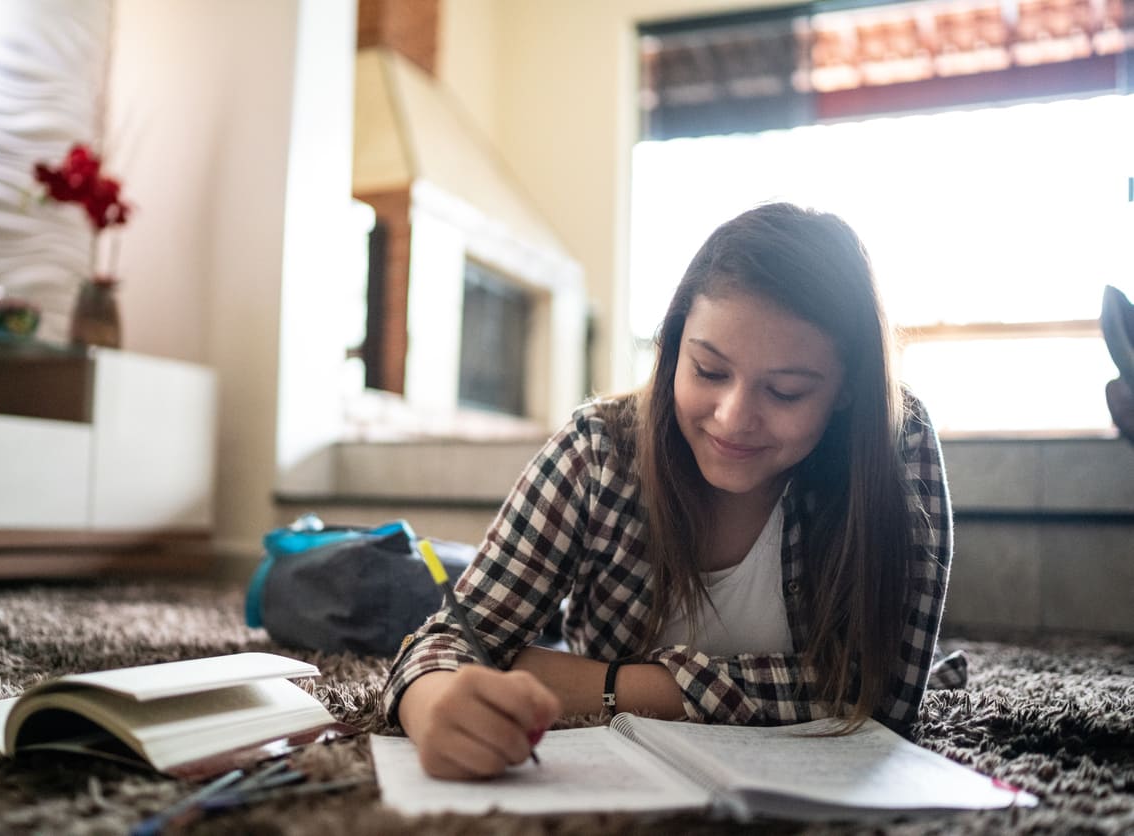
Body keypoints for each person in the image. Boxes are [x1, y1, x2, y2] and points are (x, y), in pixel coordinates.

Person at [383, 202, 955, 780]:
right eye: (708, 371)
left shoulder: (895, 444)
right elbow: (447, 643)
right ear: (672, 348)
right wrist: (434, 708)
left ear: (847, 391)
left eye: (785, 392)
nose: (733, 419)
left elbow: (880, 698)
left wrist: (602, 684)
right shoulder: (600, 448)